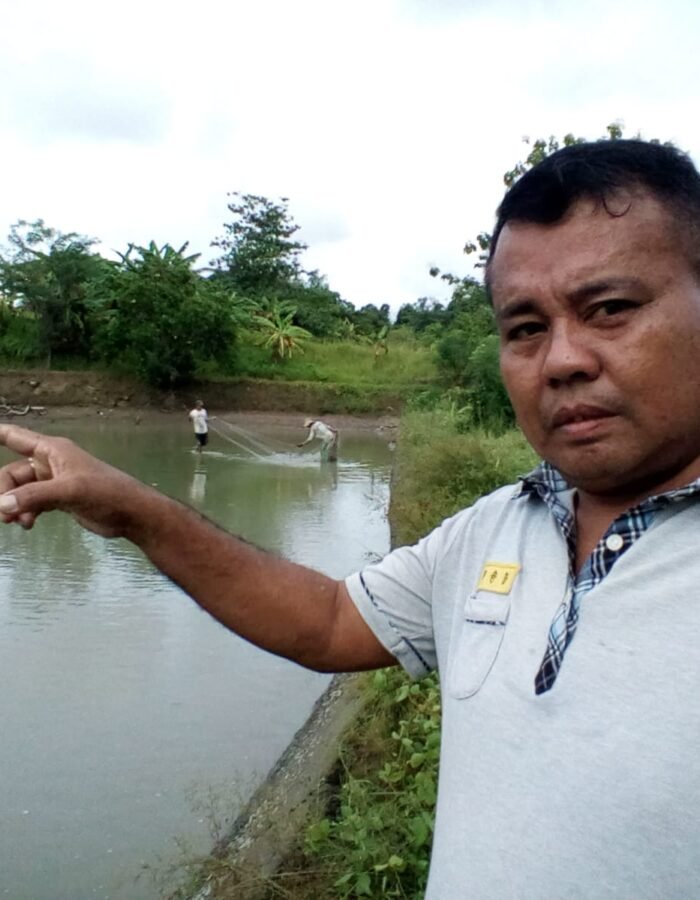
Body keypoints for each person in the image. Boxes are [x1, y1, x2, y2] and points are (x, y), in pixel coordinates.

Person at [1, 139, 700, 897]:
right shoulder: (493, 529)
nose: (562, 360)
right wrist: (134, 508)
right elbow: (330, 622)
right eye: (525, 328)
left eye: (610, 309)